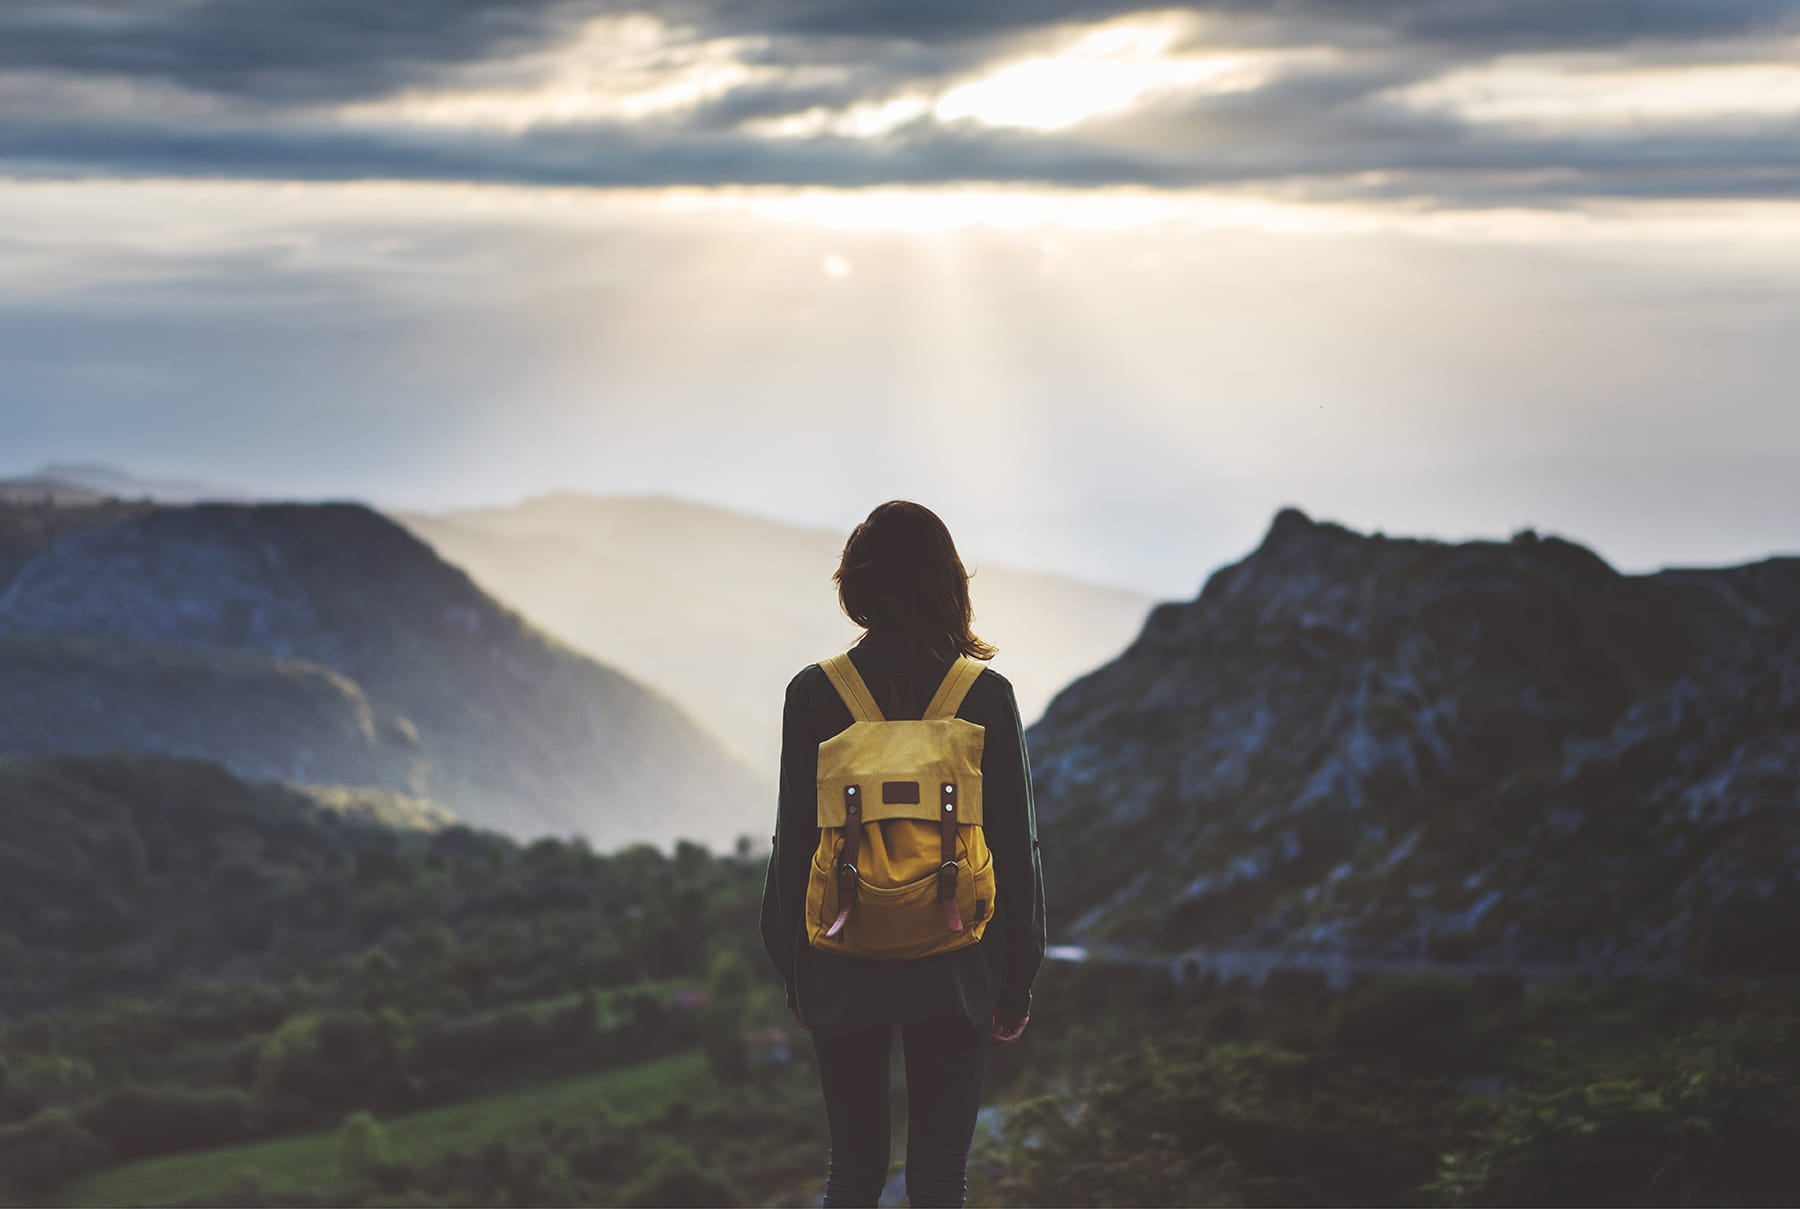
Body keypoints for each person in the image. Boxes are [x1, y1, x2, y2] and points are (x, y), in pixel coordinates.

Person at [760, 499, 1047, 1209]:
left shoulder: (814, 692)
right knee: (940, 1175)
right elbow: (1017, 847)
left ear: (855, 583)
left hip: (840, 952)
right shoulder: (985, 695)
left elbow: (792, 840)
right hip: (955, 961)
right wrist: (1016, 979)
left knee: (853, 1168)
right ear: (948, 581)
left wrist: (794, 968)